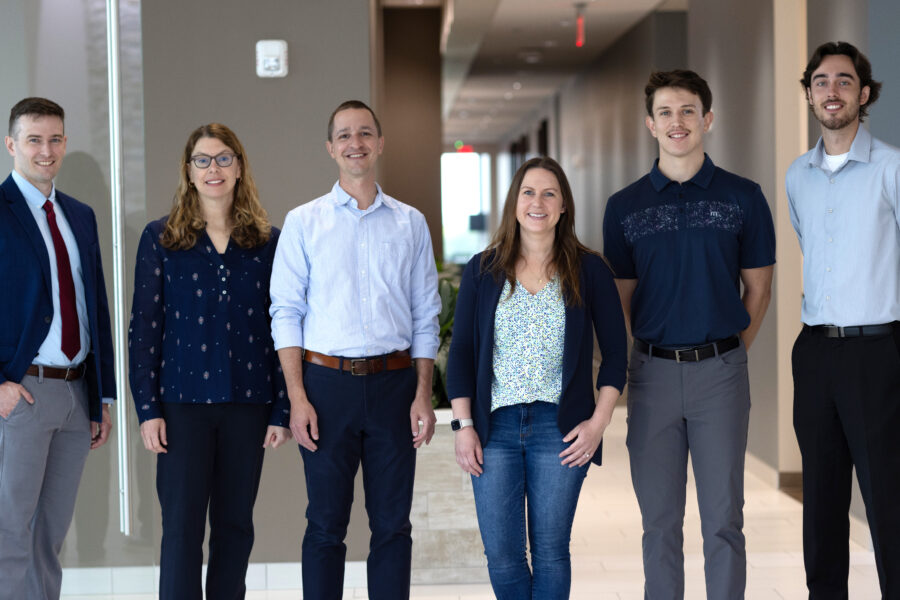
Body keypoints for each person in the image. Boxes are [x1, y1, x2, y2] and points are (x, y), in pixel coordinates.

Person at [602, 70, 775, 599]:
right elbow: (622, 300)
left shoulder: (744, 197)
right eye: (666, 113)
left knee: (724, 520)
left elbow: (759, 290)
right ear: (650, 124)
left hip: (721, 374)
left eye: (688, 111)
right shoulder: (624, 206)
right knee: (659, 523)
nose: (677, 122)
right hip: (651, 377)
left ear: (708, 119)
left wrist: (725, 354)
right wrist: (653, 355)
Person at [269, 100, 441, 600]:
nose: (355, 143)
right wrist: (297, 397)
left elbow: (425, 315)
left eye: (365, 133)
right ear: (330, 148)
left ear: (380, 143)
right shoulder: (304, 222)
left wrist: (423, 394)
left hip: (394, 386)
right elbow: (286, 313)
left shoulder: (410, 223)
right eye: (344, 135)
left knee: (392, 526)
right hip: (325, 388)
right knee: (325, 524)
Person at [446, 156, 627, 599]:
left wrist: (598, 424)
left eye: (549, 193)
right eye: (528, 192)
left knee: (550, 552)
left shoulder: (590, 270)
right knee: (503, 555)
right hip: (494, 429)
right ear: (514, 203)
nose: (538, 202)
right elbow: (462, 355)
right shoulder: (483, 270)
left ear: (563, 205)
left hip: (559, 429)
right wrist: (463, 426)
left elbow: (617, 355)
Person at [128, 123, 291, 599]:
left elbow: (283, 328)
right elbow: (144, 330)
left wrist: (281, 409)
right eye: (203, 160)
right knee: (180, 529)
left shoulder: (268, 242)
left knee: (235, 526)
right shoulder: (161, 238)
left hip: (248, 403)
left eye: (223, 158)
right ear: (188, 171)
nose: (213, 168)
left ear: (239, 167)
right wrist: (148, 409)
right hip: (181, 406)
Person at [787, 41, 900, 599]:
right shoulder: (797, 176)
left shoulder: (893, 169)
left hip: (877, 352)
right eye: (822, 81)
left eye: (845, 81)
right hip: (815, 354)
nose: (832, 91)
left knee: (888, 501)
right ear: (809, 93)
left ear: (865, 93)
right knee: (822, 503)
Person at [0, 97, 115, 600]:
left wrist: (102, 395)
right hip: (21, 392)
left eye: (54, 139)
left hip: (75, 395)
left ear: (65, 143)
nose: (45, 150)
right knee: (8, 532)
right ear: (11, 145)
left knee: (49, 534)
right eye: (33, 139)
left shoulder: (79, 216)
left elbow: (96, 309)